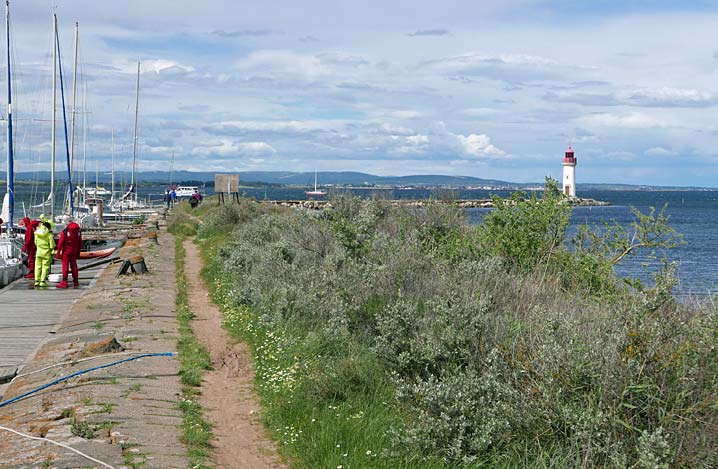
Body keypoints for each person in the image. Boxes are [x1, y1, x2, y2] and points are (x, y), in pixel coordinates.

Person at [55, 220, 82, 289]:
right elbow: (80, 243)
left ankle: (64, 282)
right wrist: (78, 252)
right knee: (74, 265)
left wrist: (58, 252)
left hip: (66, 251)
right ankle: (76, 281)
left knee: (65, 266)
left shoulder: (65, 231)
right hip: (74, 251)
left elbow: (60, 242)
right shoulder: (78, 232)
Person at [33, 215, 55, 288]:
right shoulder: (49, 235)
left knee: (37, 266)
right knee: (45, 267)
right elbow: (52, 245)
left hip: (38, 252)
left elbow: (35, 242)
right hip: (46, 253)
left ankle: (36, 281)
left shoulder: (37, 234)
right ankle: (42, 281)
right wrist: (52, 250)